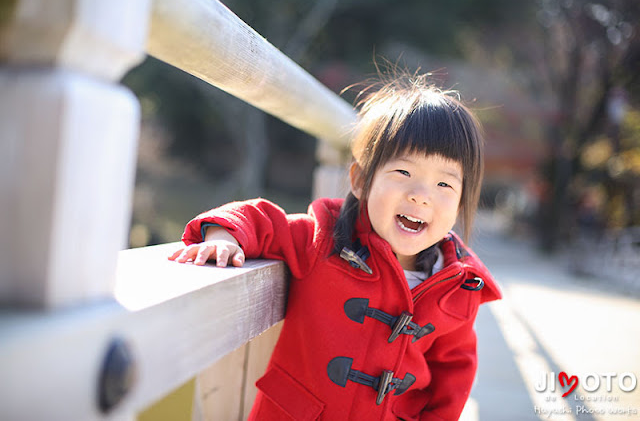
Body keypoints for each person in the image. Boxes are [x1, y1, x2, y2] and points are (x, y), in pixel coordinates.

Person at [169, 72, 502, 421]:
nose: (421, 194)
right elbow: (263, 219)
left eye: (444, 184)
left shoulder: (459, 288)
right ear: (360, 181)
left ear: (462, 201)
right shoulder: (326, 238)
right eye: (403, 173)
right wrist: (224, 236)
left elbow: (454, 375)